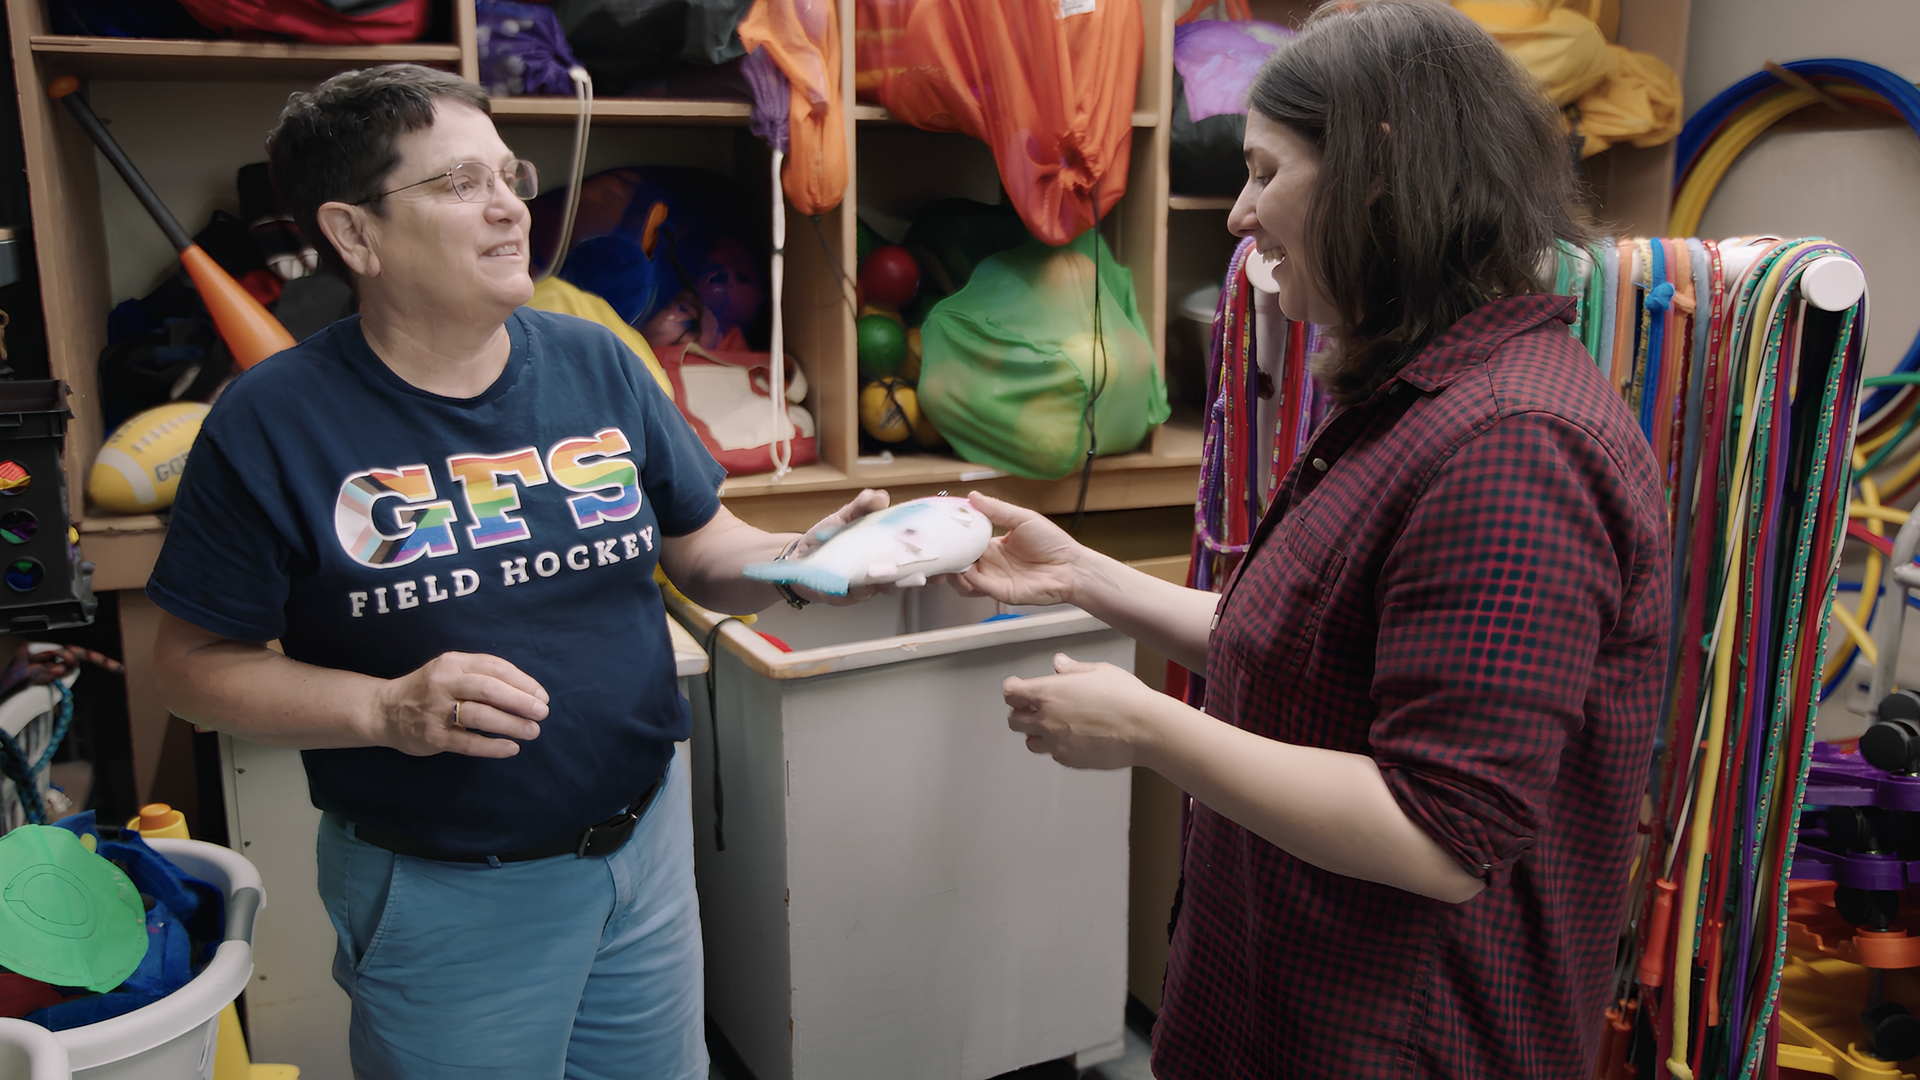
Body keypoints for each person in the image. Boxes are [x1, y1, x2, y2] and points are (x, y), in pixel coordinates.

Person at [954, 3, 1670, 1077]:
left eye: (1264, 171)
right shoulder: (1416, 396)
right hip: (1279, 1010)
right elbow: (1306, 652)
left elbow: (1438, 833)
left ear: (1379, 171)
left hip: (1399, 1044)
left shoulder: (1516, 445)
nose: (1241, 216)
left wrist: (1150, 729)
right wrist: (1083, 577)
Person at [148, 64, 883, 1080]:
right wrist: (388, 710)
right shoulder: (270, 422)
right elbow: (189, 666)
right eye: (458, 185)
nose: (511, 208)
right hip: (444, 888)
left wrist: (805, 562)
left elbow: (704, 546)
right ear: (353, 234)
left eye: (509, 173)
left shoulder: (599, 363)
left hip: (646, 851)